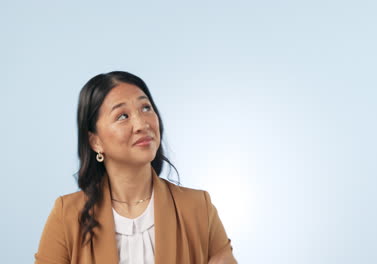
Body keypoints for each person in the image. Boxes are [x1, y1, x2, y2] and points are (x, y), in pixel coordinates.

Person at [35, 71, 237, 264]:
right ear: (95, 141)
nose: (141, 124)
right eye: (122, 116)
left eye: (146, 108)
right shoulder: (67, 216)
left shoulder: (198, 208)